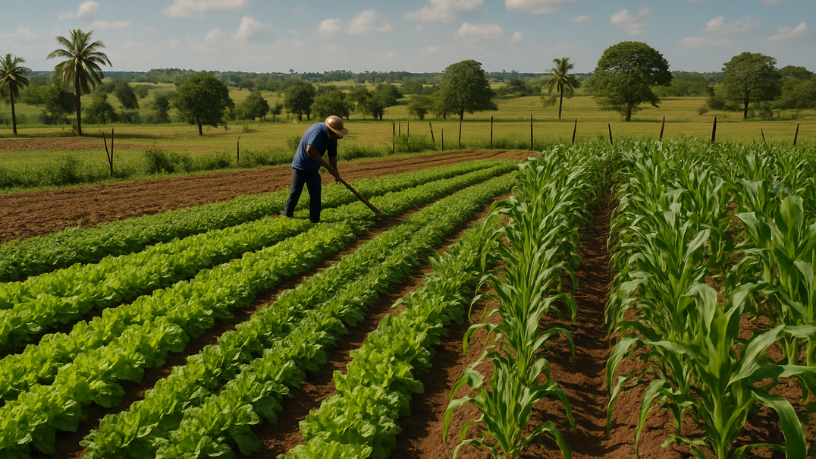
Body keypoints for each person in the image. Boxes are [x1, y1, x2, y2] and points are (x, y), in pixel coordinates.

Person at [283, 115, 348, 223]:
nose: (337, 136)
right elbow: (310, 150)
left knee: (315, 195)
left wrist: (335, 172)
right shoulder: (318, 131)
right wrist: (328, 167)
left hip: (313, 169)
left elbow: (332, 157)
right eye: (336, 134)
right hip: (300, 166)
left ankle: (315, 220)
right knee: (295, 192)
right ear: (330, 130)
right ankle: (287, 216)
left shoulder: (333, 137)